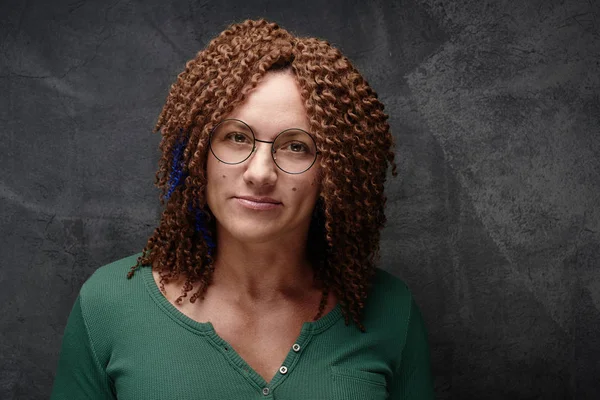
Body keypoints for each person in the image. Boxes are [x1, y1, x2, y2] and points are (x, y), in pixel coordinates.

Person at [50, 18, 435, 399]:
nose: (261, 173)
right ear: (199, 154)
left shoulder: (390, 311)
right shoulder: (109, 304)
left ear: (333, 172)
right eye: (237, 137)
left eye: (296, 146)